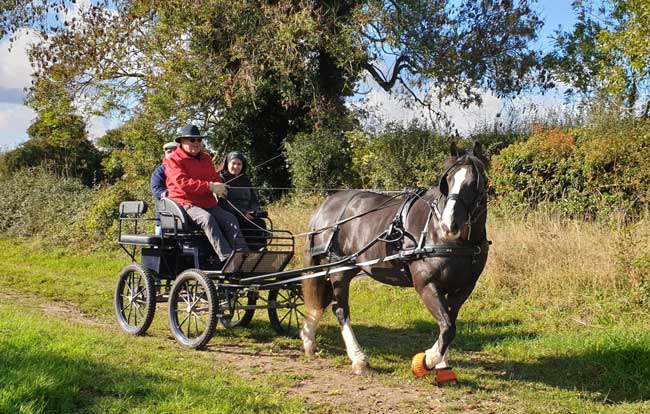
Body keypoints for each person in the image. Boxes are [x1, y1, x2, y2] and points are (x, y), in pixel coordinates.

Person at [165, 124, 248, 263]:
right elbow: (183, 183)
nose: (196, 143)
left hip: (208, 202)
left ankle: (244, 257)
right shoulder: (174, 159)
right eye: (192, 140)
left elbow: (213, 176)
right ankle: (227, 258)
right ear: (182, 141)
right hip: (186, 203)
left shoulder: (205, 157)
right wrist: (210, 186)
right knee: (207, 219)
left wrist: (221, 186)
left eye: (199, 140)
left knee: (230, 219)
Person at [220, 151, 268, 249]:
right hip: (232, 214)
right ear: (227, 163)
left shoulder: (245, 180)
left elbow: (253, 199)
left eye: (239, 164)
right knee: (248, 226)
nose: (236, 167)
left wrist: (255, 211)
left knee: (260, 223)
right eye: (233, 163)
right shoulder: (221, 179)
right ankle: (249, 254)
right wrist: (242, 213)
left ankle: (262, 252)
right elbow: (223, 203)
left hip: (247, 214)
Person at [150, 141, 178, 235]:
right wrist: (174, 194)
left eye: (175, 151)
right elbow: (156, 189)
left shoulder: (187, 169)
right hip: (165, 217)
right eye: (169, 152)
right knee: (161, 247)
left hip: (183, 218)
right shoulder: (160, 171)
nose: (171, 154)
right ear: (165, 154)